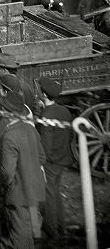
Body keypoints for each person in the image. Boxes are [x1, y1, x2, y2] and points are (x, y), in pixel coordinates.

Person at [0, 91, 47, 248]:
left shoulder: (9, 135)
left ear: (7, 114)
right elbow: (42, 157)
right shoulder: (30, 129)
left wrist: (5, 185)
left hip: (19, 194)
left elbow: (7, 172)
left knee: (20, 234)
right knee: (33, 228)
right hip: (36, 190)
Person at [37, 79, 73, 242]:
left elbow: (46, 144)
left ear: (44, 95)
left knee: (49, 195)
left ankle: (52, 231)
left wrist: (42, 163)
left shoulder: (46, 115)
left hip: (50, 162)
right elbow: (70, 135)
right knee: (56, 193)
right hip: (63, 159)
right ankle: (62, 227)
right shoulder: (64, 111)